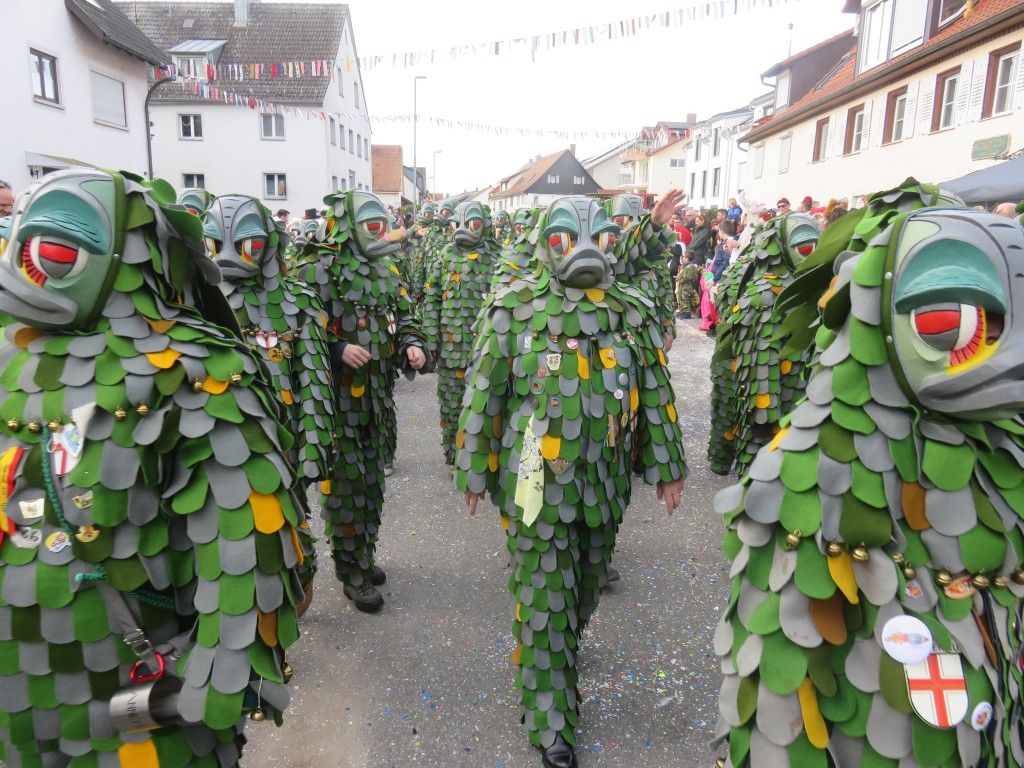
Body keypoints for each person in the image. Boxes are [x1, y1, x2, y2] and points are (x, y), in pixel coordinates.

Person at [0, 168, 304, 765]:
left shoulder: (197, 368)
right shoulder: (12, 358)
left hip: (141, 684)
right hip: (19, 690)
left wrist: (220, 669)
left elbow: (244, 531)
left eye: (50, 249)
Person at [456, 195, 686, 768]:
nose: (584, 249)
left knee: (582, 590)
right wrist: (474, 469)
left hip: (603, 483)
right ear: (544, 241)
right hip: (535, 481)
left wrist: (667, 470)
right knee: (545, 595)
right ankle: (551, 722)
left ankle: (557, 656)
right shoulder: (513, 307)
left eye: (598, 237)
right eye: (565, 237)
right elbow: (484, 394)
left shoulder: (629, 311)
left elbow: (655, 393)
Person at [292, 190, 429, 613]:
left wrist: (411, 343)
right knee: (347, 488)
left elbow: (406, 314)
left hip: (378, 401)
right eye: (370, 224)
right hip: (337, 405)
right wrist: (337, 349)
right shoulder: (318, 267)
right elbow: (300, 326)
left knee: (371, 485)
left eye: (381, 223)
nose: (378, 231)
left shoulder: (386, 267)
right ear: (348, 223)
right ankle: (351, 572)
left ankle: (362, 556)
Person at [675, 250, 702, 319]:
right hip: (685, 286)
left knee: (685, 299)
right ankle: (683, 311)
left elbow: (686, 277)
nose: (683, 258)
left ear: (687, 258)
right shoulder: (690, 266)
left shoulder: (689, 267)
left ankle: (687, 313)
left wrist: (678, 278)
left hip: (686, 286)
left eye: (684, 256)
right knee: (683, 298)